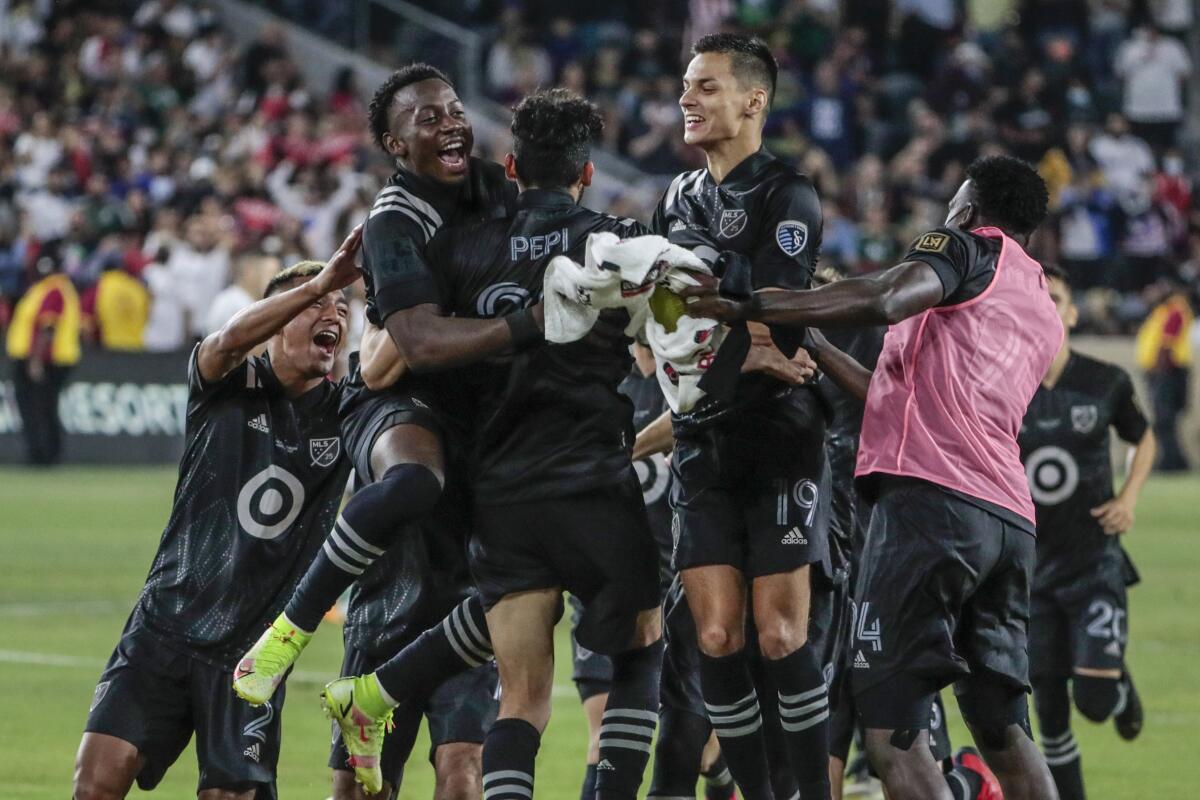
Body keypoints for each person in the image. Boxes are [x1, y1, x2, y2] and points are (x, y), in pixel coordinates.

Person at [683, 154, 1065, 800]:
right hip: (1007, 524)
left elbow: (888, 298)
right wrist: (813, 341)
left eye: (953, 206)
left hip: (929, 511)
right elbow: (899, 402)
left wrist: (755, 301)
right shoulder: (1039, 306)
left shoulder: (966, 247)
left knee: (892, 725)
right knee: (1002, 728)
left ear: (968, 209)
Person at [233, 63, 525, 709]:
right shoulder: (394, 220)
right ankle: (287, 632)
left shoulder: (500, 190)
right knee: (415, 480)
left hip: (484, 410)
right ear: (395, 145)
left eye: (454, 109)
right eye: (428, 116)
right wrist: (530, 320)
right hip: (402, 398)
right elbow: (413, 347)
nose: (450, 122)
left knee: (540, 571)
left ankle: (375, 697)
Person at [72, 230, 362, 800]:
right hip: (164, 624)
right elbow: (229, 338)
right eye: (316, 304)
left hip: (251, 653)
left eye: (341, 308)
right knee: (95, 782)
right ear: (277, 319)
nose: (332, 314)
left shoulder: (348, 412)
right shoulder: (225, 380)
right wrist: (323, 281)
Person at [653, 33, 833, 800]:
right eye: (686, 87)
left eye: (706, 87)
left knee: (781, 633)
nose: (686, 99)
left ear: (753, 101)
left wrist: (733, 321)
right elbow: (662, 320)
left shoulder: (786, 193)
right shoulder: (675, 197)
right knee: (718, 636)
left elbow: (779, 321)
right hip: (701, 437)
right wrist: (732, 323)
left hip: (778, 439)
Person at [1020, 265, 1156, 800]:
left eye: (1055, 298)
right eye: (1036, 298)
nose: (1046, 306)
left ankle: (1118, 688)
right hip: (1029, 572)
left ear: (1072, 312)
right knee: (1049, 714)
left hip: (1094, 563)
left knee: (1093, 704)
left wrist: (1128, 498)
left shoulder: (1105, 381)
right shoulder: (1002, 388)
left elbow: (1143, 439)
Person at [5, 241, 81, 465]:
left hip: (47, 359)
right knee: (42, 407)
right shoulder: (48, 288)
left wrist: (36, 359)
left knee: (38, 408)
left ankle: (43, 456)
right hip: (44, 357)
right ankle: (45, 454)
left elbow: (47, 327)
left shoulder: (54, 289)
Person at [1135, 283, 1192, 472]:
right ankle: (1175, 460)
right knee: (1164, 420)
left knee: (1164, 420)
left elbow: (1166, 344)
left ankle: (1172, 462)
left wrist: (1159, 371)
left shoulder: (1175, 310)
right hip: (1164, 372)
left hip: (1167, 372)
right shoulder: (1164, 310)